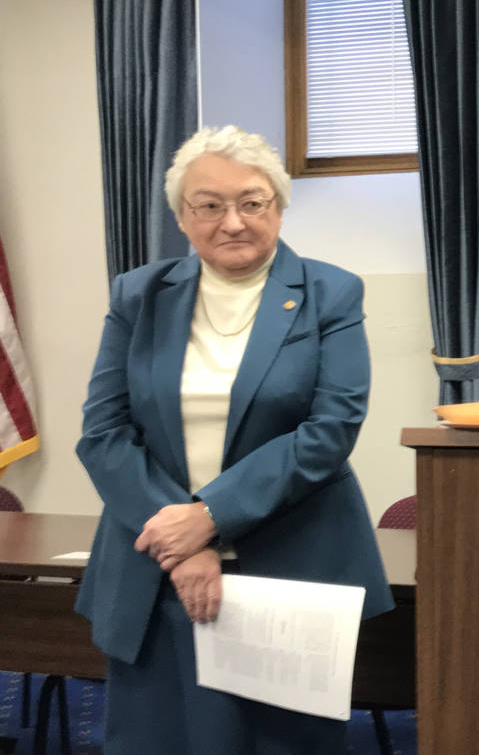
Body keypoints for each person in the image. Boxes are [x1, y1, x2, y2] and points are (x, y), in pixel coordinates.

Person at [75, 126, 392, 753]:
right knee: (158, 739)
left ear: (278, 205)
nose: (233, 222)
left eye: (252, 201)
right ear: (182, 217)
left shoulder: (331, 292)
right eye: (210, 205)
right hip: (155, 570)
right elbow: (103, 432)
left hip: (285, 570)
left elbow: (330, 430)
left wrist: (210, 519)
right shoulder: (137, 296)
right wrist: (182, 539)